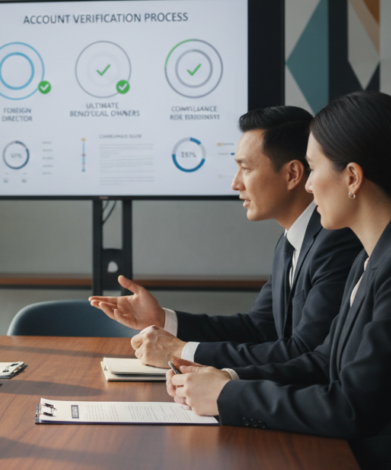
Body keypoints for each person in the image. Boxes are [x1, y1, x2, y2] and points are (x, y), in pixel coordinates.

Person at [168, 92, 391, 470]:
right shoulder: (374, 255)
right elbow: (323, 361)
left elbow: (353, 405)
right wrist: (224, 378)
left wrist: (227, 396)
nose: (308, 182)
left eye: (312, 166)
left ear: (352, 177)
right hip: (358, 464)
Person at [90, 106, 361, 368]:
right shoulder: (291, 241)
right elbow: (259, 327)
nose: (235, 183)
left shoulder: (336, 242)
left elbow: (305, 351)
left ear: (292, 174)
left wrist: (181, 351)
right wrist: (162, 319)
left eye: (246, 168)